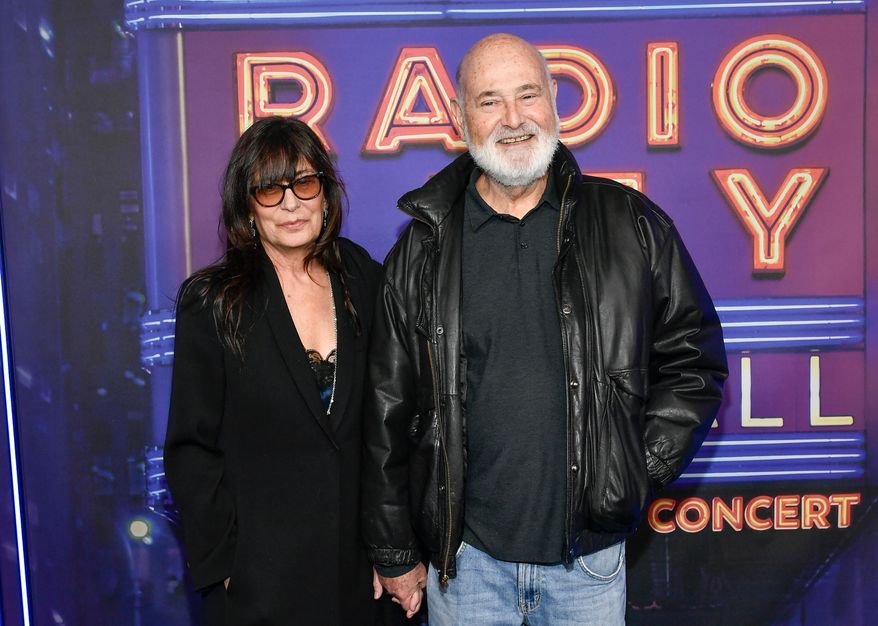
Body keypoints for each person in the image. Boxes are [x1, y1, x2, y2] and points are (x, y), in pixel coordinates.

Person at [362, 33, 728, 625]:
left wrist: (636, 468)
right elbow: (386, 407)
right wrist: (393, 548)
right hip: (465, 563)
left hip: (589, 562)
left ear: (554, 100)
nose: (513, 118)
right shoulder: (424, 247)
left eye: (527, 95)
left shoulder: (629, 223)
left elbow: (695, 361)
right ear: (460, 118)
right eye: (489, 101)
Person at [164, 116, 384, 625]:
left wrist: (393, 547)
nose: (290, 203)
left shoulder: (365, 279)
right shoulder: (213, 301)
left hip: (358, 578)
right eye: (269, 189)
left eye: (304, 183)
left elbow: (390, 426)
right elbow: (191, 446)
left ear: (325, 194)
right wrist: (224, 561)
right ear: (247, 205)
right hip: (260, 583)